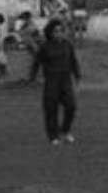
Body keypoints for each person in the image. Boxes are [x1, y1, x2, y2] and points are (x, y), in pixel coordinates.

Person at [29, 17, 82, 145]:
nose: (59, 33)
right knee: (51, 109)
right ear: (50, 33)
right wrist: (33, 77)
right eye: (56, 31)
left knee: (71, 106)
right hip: (51, 81)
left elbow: (73, 60)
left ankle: (65, 131)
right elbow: (37, 62)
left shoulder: (67, 44)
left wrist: (77, 75)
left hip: (66, 81)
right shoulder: (45, 47)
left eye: (61, 31)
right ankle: (53, 136)